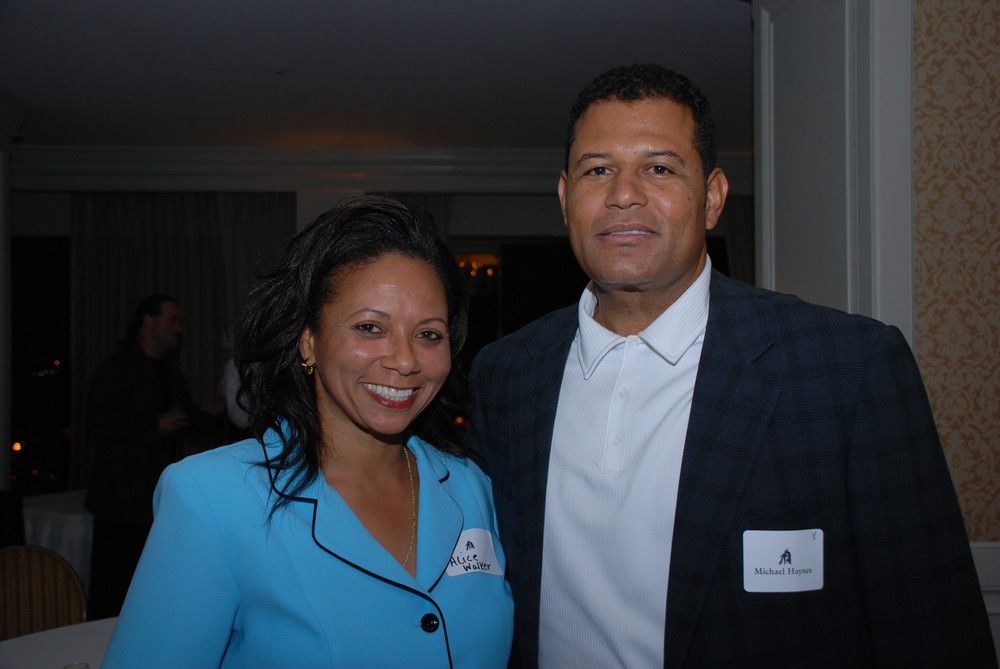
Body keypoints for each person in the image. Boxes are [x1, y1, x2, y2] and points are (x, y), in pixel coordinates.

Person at [468, 63, 997, 667]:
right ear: (566, 199)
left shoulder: (848, 369)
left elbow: (932, 623)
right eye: (598, 170)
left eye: (659, 168)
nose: (623, 194)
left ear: (713, 197)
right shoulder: (506, 375)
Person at [102, 196, 514, 667]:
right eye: (369, 327)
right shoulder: (212, 499)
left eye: (428, 334)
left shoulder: (470, 487)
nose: (405, 360)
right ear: (308, 341)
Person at [85, 293, 221, 619]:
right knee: (115, 584)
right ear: (148, 321)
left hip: (156, 500)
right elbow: (98, 421)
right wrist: (152, 425)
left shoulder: (170, 373)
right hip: (121, 502)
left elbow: (186, 416)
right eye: (172, 319)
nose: (179, 328)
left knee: (150, 586)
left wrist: (217, 413)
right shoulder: (117, 368)